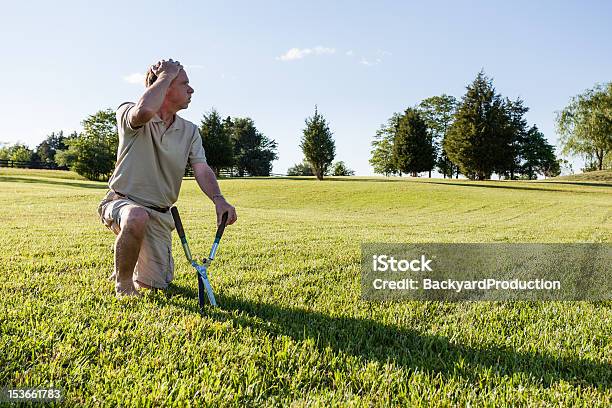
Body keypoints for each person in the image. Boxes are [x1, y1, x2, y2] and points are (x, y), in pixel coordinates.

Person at [97, 59, 237, 297]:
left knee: (156, 284)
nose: (191, 90)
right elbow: (143, 112)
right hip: (122, 201)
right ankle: (123, 283)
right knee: (135, 215)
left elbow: (201, 169)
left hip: (161, 214)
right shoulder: (128, 111)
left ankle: (135, 261)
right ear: (166, 85)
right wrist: (166, 74)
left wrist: (219, 199)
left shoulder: (190, 131)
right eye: (185, 84)